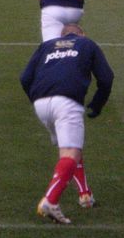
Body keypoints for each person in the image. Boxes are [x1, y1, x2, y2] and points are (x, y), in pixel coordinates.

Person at [20, 24, 114, 224]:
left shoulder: (47, 45)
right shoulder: (87, 44)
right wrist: (96, 105)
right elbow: (106, 78)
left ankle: (85, 195)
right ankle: (50, 200)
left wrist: (36, 99)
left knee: (69, 150)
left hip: (41, 103)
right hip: (67, 101)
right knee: (71, 152)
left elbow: (25, 77)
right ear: (82, 34)